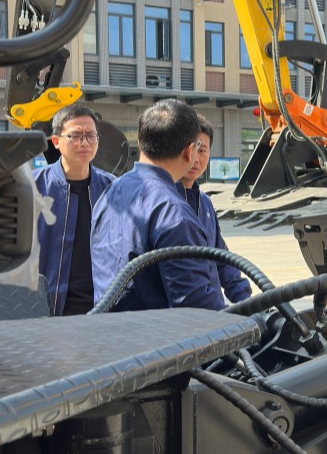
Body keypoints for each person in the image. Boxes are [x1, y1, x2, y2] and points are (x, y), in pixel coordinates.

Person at [90, 99, 226, 311]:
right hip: (153, 331)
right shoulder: (174, 214)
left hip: (107, 327)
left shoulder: (110, 193)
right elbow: (196, 308)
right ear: (189, 151)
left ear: (140, 142)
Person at [34, 103, 115, 316]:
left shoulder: (112, 188)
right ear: (56, 141)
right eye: (75, 136)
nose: (84, 142)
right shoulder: (33, 187)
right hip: (46, 308)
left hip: (101, 308)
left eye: (91, 135)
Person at [177, 115, 251, 304]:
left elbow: (222, 259)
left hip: (212, 310)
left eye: (202, 150)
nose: (195, 158)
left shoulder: (205, 203)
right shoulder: (166, 202)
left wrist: (247, 301)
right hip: (184, 311)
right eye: (192, 149)